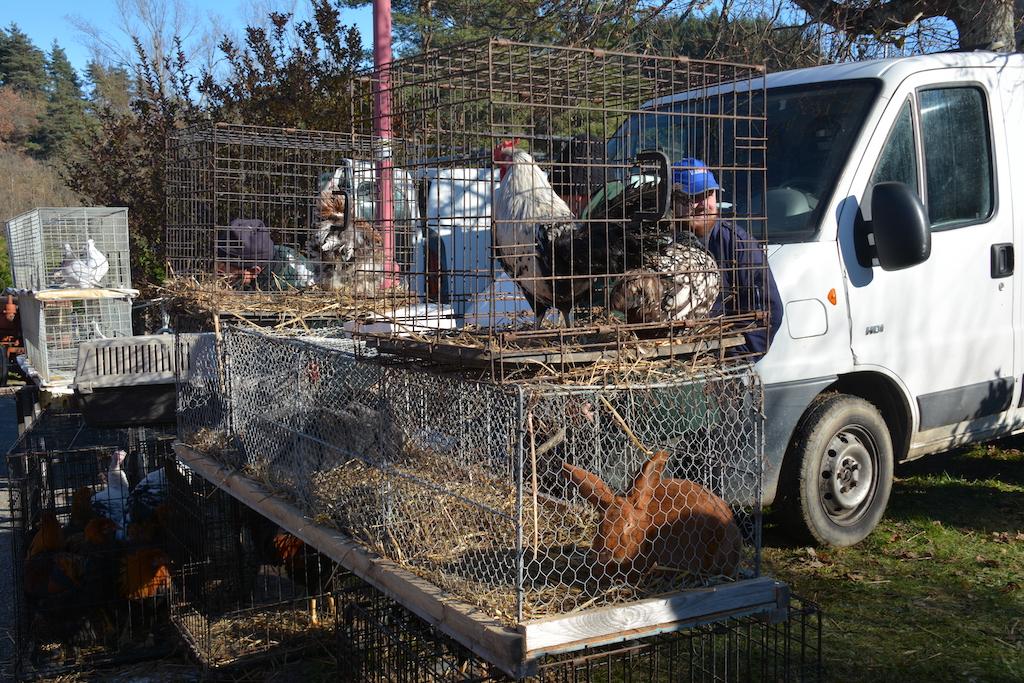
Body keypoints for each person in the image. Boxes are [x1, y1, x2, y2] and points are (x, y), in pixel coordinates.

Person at [672, 158, 783, 358]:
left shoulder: (738, 244)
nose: (703, 205)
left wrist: (728, 358)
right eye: (694, 197)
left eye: (709, 194)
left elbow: (768, 314)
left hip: (719, 362)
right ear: (673, 202)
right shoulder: (659, 242)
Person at [216, 219, 316, 291]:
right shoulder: (266, 257)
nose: (219, 269)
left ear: (254, 271)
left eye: (226, 263)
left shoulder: (286, 284)